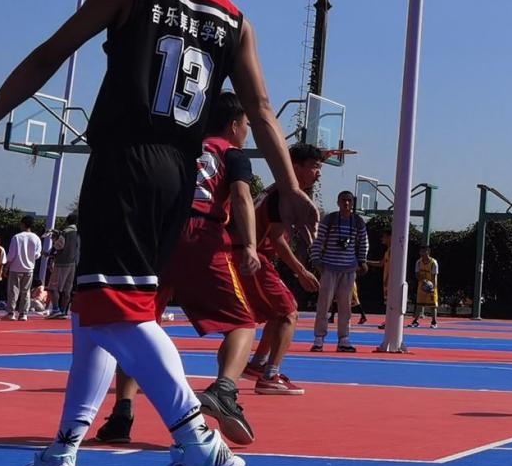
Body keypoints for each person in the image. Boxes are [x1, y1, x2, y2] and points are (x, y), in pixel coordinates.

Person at [0, 0, 314, 466]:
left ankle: (198, 444)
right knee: (96, 312)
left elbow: (50, 54)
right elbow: (261, 109)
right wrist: (288, 186)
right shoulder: (234, 18)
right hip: (180, 173)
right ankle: (62, 454)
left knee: (114, 309)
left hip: (125, 162)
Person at [99, 93, 265, 448]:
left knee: (139, 325)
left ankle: (122, 413)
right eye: (247, 125)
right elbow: (241, 197)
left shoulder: (179, 146)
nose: (247, 131)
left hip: (157, 235)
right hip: (202, 235)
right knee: (242, 323)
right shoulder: (232, 155)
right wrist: (250, 244)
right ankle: (224, 390)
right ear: (234, 125)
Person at [245, 143, 323, 396]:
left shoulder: (275, 191)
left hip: (254, 258)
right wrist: (301, 271)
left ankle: (258, 364)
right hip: (254, 259)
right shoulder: (282, 195)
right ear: (295, 168)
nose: (318, 173)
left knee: (279, 312)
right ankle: (270, 375)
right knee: (289, 313)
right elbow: (277, 239)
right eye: (314, 167)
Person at [310, 192, 368, 352]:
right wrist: (316, 260)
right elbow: (318, 240)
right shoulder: (330, 220)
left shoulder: (358, 222)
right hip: (329, 268)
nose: (346, 203)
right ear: (338, 202)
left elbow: (364, 242)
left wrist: (362, 260)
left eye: (349, 200)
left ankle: (344, 339)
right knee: (324, 305)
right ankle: (319, 339)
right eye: (343, 200)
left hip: (348, 269)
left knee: (345, 307)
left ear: (353, 203)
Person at [5, 217, 42, 320]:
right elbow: (37, 254)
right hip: (29, 268)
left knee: (13, 291)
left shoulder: (16, 237)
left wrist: (6, 266)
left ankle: (11, 313)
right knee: (26, 291)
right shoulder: (36, 238)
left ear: (23, 224)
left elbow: (11, 255)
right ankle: (23, 314)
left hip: (15, 268)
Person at [45, 225, 81, 319]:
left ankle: (56, 310)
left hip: (61, 263)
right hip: (73, 263)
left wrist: (54, 239)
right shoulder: (79, 232)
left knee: (53, 288)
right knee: (67, 290)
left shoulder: (65, 232)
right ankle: (63, 311)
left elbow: (59, 246)